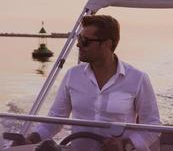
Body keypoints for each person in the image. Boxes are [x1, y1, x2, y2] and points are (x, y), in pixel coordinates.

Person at [26, 15, 161, 151]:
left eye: (85, 41)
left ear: (107, 44)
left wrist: (125, 143)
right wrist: (31, 139)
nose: (78, 44)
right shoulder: (72, 76)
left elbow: (153, 126)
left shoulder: (137, 79)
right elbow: (55, 120)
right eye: (79, 38)